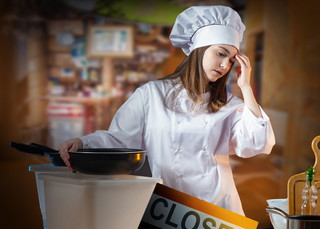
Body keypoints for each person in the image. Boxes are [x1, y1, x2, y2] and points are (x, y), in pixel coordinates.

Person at [59, 5, 275, 216]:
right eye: (220, 53)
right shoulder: (151, 95)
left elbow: (256, 144)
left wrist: (246, 87)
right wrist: (83, 143)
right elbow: (119, 140)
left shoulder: (229, 104)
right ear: (198, 50)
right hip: (168, 209)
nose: (224, 65)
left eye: (230, 60)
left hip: (217, 210)